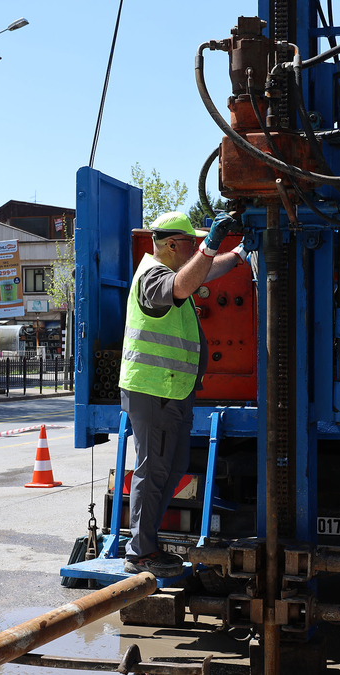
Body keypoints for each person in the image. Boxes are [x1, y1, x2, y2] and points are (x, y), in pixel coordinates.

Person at [118, 210, 247, 577]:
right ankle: (140, 552)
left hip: (171, 390)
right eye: (190, 245)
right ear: (173, 244)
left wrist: (239, 256)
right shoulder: (153, 278)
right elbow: (183, 286)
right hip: (154, 390)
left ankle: (148, 545)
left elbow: (200, 273)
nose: (195, 252)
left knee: (170, 468)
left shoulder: (171, 272)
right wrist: (212, 243)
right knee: (152, 470)